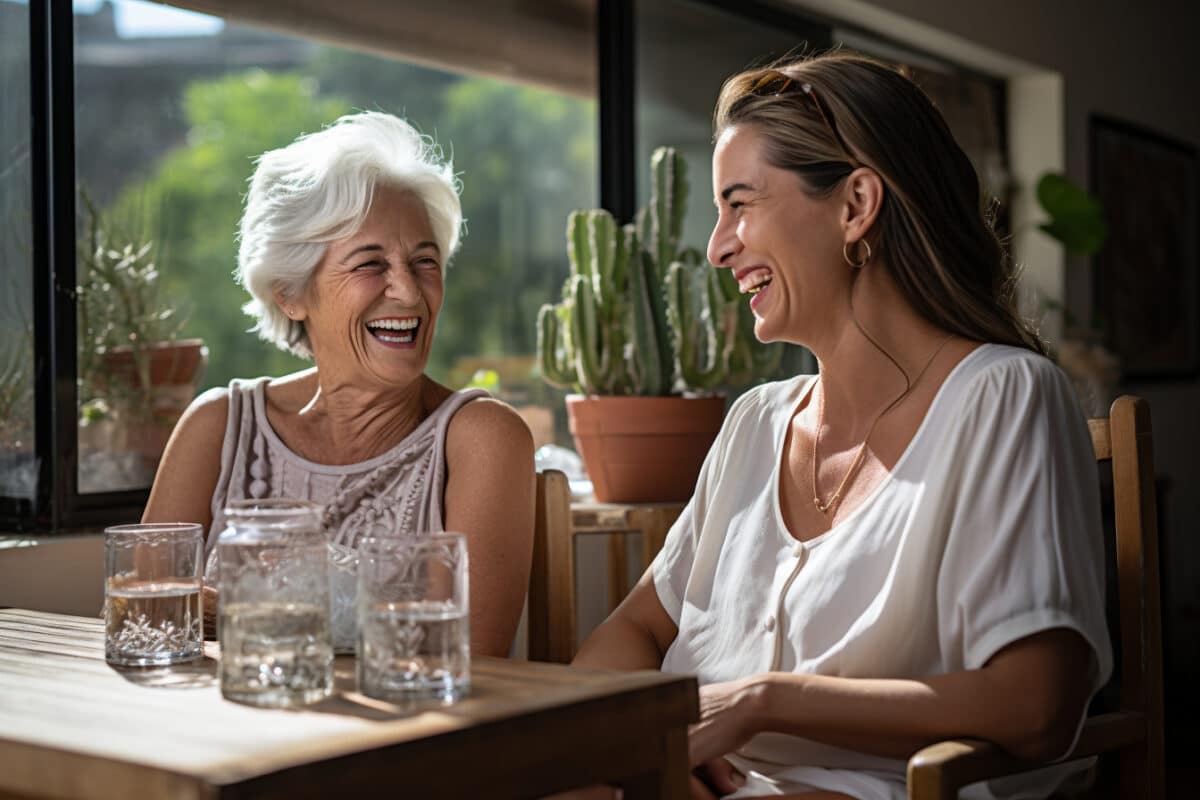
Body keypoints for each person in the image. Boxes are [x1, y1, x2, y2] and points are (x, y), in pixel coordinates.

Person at [572, 53, 1111, 800]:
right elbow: (628, 633)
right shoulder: (755, 424)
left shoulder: (1004, 397)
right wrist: (660, 746)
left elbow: (1037, 705)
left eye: (740, 204)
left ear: (856, 205)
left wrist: (762, 701)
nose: (718, 246)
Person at [144, 111, 535, 658]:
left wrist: (233, 616)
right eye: (370, 264)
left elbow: (470, 668)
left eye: (424, 261)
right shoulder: (217, 427)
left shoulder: (482, 438)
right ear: (291, 292)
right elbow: (143, 626)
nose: (408, 292)